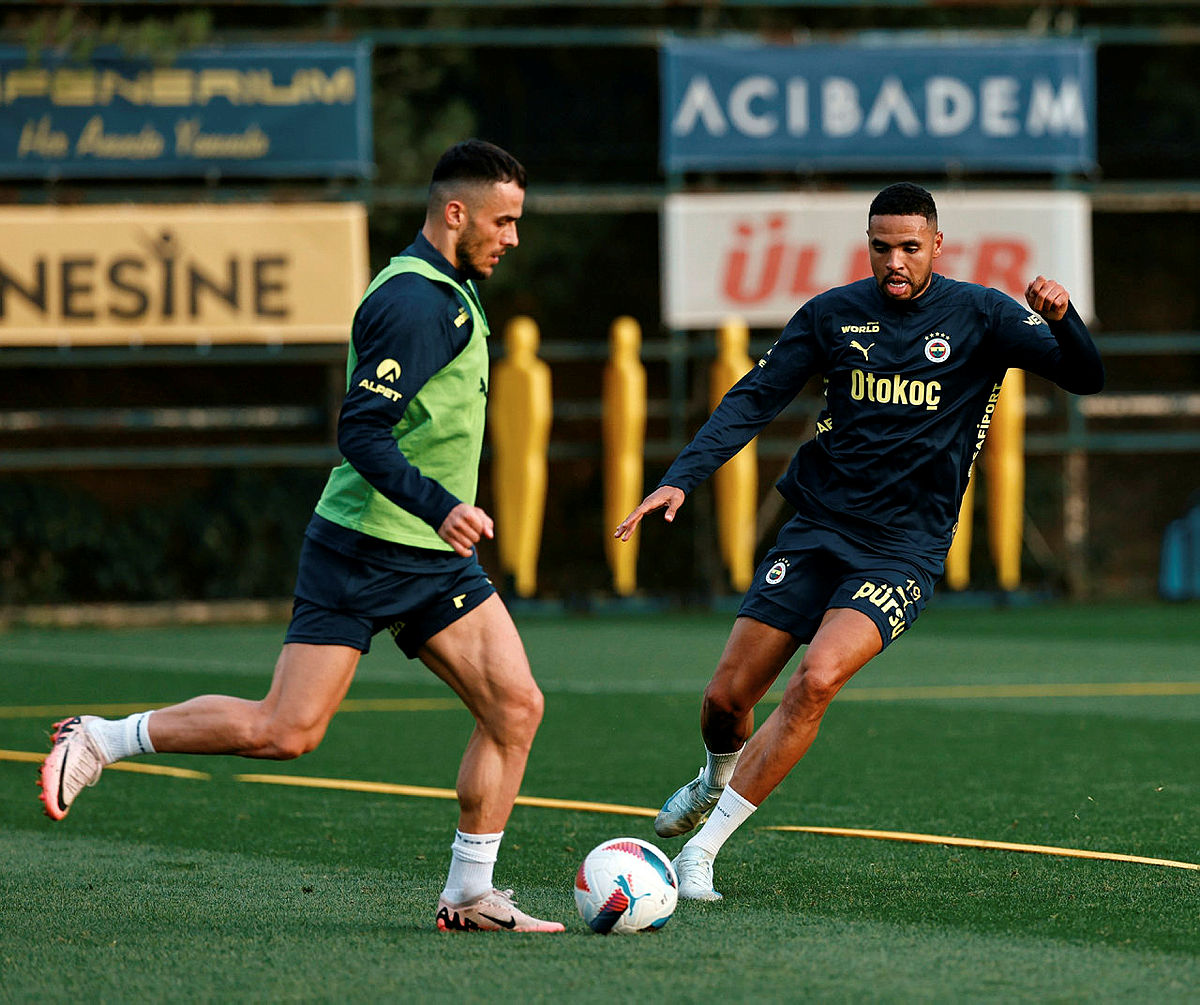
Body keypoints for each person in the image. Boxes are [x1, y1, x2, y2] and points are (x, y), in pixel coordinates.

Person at [39, 138, 564, 934]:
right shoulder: (417, 303)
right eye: (504, 220)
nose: (513, 237)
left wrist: (437, 521)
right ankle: (104, 738)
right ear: (455, 213)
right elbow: (362, 429)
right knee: (286, 731)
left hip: (431, 557)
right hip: (362, 547)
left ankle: (468, 892)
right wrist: (439, 504)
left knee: (516, 706)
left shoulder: (452, 288)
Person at [614, 183, 1104, 901]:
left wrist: (1065, 322)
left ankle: (703, 851)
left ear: (938, 244)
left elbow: (1085, 376)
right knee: (726, 697)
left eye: (910, 246)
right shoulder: (834, 315)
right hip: (816, 528)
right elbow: (755, 396)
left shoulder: (982, 316)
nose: (896, 261)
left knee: (816, 680)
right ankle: (715, 774)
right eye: (882, 247)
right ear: (868, 246)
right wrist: (681, 478)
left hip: (904, 549)